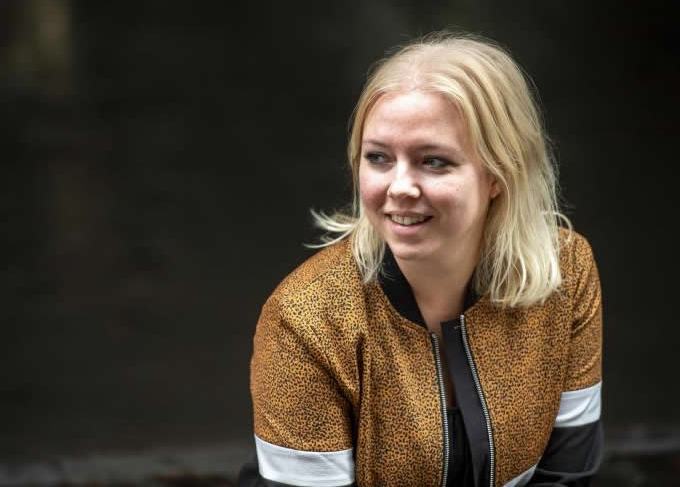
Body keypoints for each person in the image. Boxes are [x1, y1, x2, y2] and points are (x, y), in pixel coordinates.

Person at [239, 32, 603, 487]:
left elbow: (566, 474)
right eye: (379, 158)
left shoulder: (565, 271)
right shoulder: (307, 317)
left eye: (434, 161)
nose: (399, 187)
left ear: (498, 174)